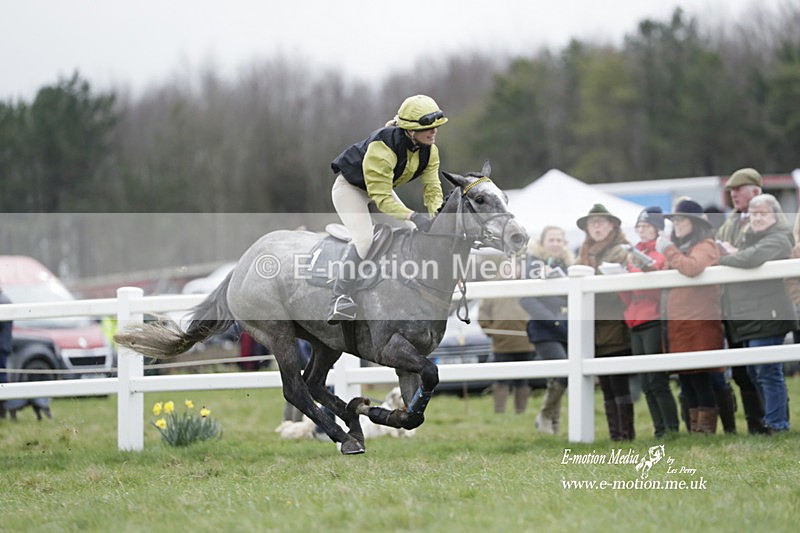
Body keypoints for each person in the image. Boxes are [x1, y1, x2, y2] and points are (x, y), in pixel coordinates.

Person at [327, 94, 447, 324]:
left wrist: (436, 219)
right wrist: (413, 215)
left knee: (413, 231)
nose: (434, 132)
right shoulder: (383, 147)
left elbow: (432, 190)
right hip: (351, 190)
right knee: (364, 239)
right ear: (410, 130)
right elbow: (381, 198)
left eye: (436, 127)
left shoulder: (430, 151)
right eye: (428, 128)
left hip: (380, 189)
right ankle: (339, 297)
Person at [718, 194, 796, 433]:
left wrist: (726, 256)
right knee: (756, 371)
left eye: (763, 213)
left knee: (767, 371)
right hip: (751, 315)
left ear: (775, 215)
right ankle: (771, 421)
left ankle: (777, 424)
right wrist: (734, 254)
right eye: (754, 214)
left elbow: (751, 258)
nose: (757, 218)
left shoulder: (779, 238)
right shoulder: (750, 237)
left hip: (770, 314)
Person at [656, 199, 724, 434]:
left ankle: (705, 432)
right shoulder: (681, 247)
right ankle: (695, 430)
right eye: (674, 220)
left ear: (694, 223)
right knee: (686, 377)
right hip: (678, 322)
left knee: (700, 377)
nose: (676, 224)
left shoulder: (706, 245)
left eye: (681, 220)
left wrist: (668, 250)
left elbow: (692, 268)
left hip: (699, 321)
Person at [575, 204, 635, 441]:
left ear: (612, 225)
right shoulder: (584, 253)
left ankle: (626, 434)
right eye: (592, 223)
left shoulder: (621, 251)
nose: (596, 227)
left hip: (615, 324)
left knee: (618, 383)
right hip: (593, 328)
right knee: (607, 386)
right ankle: (615, 435)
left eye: (601, 222)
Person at [716, 167, 768, 434]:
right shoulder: (730, 222)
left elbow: (755, 254)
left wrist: (729, 254)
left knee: (763, 368)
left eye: (738, 190)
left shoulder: (766, 217)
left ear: (755, 191)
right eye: (731, 191)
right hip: (732, 304)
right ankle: (755, 423)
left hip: (757, 301)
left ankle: (769, 422)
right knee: (740, 371)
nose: (733, 195)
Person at [620, 207, 680, 438]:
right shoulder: (634, 253)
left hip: (653, 318)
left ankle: (671, 428)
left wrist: (637, 271)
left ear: (657, 228)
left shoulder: (662, 251)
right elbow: (627, 294)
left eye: (646, 226)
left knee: (657, 380)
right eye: (639, 227)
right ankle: (659, 429)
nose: (641, 231)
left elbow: (657, 287)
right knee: (646, 382)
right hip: (634, 319)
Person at [520, 226, 573, 434]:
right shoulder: (533, 265)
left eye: (559, 240)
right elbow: (526, 299)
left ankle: (553, 426)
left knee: (558, 377)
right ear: (542, 242)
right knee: (562, 373)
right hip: (544, 329)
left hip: (567, 327)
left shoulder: (569, 265)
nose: (556, 244)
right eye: (551, 240)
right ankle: (544, 416)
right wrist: (553, 320)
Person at [479, 283, 536, 415]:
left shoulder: (527, 284)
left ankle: (520, 413)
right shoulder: (493, 287)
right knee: (501, 380)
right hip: (501, 345)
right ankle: (500, 413)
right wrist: (492, 331)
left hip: (525, 342)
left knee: (522, 381)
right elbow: (483, 315)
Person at [0, 288, 12, 419]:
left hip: (1, 346)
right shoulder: (5, 299)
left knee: (1, 378)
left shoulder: (2, 301)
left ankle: (2, 410)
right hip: (4, 345)